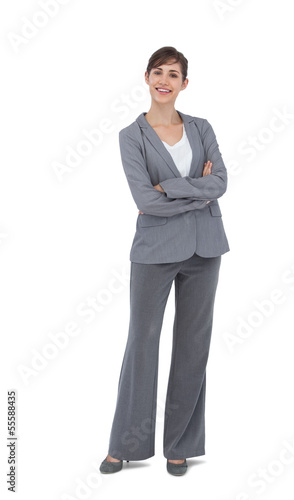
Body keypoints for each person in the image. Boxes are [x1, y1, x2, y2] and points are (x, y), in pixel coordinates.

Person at [99, 46, 230, 476]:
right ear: (147, 77)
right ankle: (125, 446)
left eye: (174, 74)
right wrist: (196, 186)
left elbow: (221, 183)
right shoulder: (130, 136)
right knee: (142, 343)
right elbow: (144, 200)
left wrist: (169, 189)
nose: (165, 80)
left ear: (184, 84)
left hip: (205, 249)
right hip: (153, 252)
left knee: (194, 347)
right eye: (158, 72)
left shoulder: (202, 127)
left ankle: (181, 445)